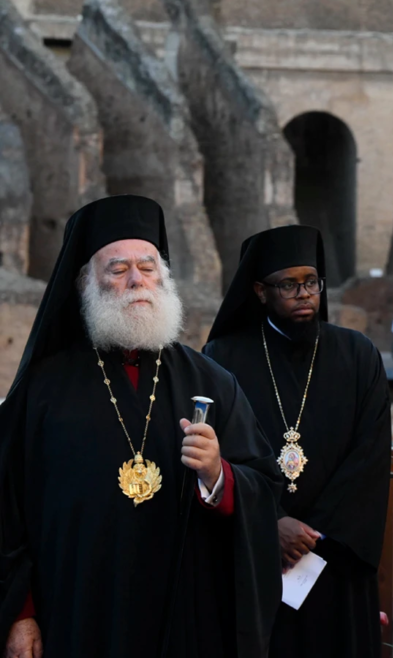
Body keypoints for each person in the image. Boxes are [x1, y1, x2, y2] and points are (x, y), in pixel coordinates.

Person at [0, 195, 282, 658]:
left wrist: (218, 476)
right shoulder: (43, 391)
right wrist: (19, 612)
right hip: (73, 614)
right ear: (86, 283)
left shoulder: (210, 381)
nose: (137, 281)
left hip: (185, 617)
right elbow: (5, 512)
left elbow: (265, 488)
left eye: (148, 267)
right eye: (117, 269)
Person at [202, 225, 391, 658]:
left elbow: (369, 458)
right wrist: (270, 524)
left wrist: (310, 537)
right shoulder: (222, 358)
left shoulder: (358, 354)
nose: (304, 293)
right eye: (288, 284)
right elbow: (218, 456)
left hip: (336, 564)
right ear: (259, 290)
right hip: (253, 561)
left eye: (311, 282)